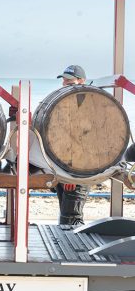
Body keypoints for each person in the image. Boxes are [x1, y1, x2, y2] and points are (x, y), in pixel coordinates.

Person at [55, 65, 90, 225]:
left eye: (69, 81)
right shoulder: (70, 103)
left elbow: (85, 145)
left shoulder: (87, 104)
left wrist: (72, 176)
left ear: (82, 81)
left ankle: (76, 249)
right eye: (64, 81)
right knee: (66, 213)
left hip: (77, 171)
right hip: (64, 167)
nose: (64, 84)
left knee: (71, 218)